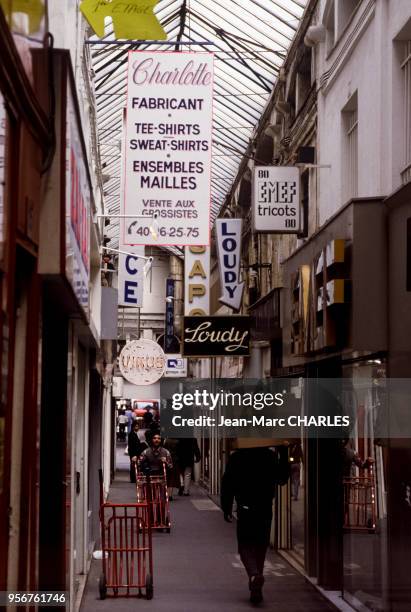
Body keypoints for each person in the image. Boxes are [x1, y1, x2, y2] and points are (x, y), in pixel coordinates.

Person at [221, 444, 290, 604]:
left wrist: (226, 507)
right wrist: (284, 454)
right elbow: (282, 479)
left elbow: (227, 483)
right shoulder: (269, 457)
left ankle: (254, 574)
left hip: (245, 507)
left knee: (245, 545)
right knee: (260, 544)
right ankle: (256, 587)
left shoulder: (237, 457)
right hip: (265, 506)